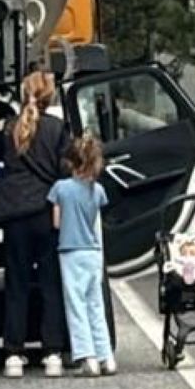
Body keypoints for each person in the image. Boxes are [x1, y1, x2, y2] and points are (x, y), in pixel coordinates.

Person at [0, 70, 70, 378]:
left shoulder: (9, 128)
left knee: (17, 284)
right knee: (50, 283)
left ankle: (14, 352)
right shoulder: (57, 129)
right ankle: (52, 352)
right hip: (45, 209)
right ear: (50, 96)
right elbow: (66, 169)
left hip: (14, 212)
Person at [49, 133, 116, 376]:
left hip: (70, 251)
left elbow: (56, 223)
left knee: (76, 305)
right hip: (93, 252)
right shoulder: (97, 191)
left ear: (71, 163)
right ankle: (106, 356)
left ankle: (87, 357)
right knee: (95, 305)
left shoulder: (61, 188)